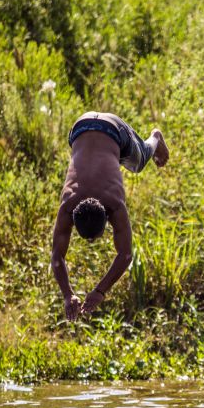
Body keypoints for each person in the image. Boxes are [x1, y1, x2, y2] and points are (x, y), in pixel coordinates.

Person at [51, 112, 169, 321]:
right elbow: (57, 257)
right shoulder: (69, 204)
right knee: (120, 157)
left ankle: (156, 138)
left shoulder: (113, 204)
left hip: (113, 130)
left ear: (107, 218)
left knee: (138, 161)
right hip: (78, 127)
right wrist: (68, 295)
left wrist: (100, 291)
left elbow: (125, 255)